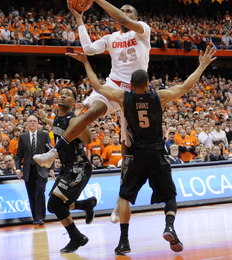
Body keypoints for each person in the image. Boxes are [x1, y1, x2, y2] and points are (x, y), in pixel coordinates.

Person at [64, 46, 216, 255]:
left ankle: (124, 241)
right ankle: (169, 226)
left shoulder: (123, 97)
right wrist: (202, 65)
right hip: (156, 153)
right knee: (170, 195)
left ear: (132, 85)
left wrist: (85, 62)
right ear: (147, 84)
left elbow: (98, 86)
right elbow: (186, 86)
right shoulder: (158, 96)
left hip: (135, 155)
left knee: (125, 197)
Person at [33, 0, 151, 223]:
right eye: (123, 11)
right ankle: (53, 153)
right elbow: (88, 48)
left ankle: (121, 200)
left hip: (136, 92)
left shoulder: (143, 31)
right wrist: (79, 19)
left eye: (129, 12)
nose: (125, 15)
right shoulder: (110, 37)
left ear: (137, 18)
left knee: (129, 152)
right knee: (90, 113)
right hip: (114, 86)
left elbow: (122, 18)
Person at [33, 88, 97, 254]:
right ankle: (86, 205)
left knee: (54, 204)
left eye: (68, 94)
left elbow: (88, 139)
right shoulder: (59, 118)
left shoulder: (73, 119)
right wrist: (47, 120)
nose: (63, 95)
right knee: (57, 206)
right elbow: (58, 126)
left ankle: (77, 237)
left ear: (73, 102)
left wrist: (80, 120)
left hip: (79, 167)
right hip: (66, 168)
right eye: (61, 93)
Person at [15, 115, 55, 225]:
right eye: (30, 121)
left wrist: (51, 168)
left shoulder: (44, 135)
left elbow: (50, 152)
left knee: (40, 191)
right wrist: (18, 169)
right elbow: (19, 155)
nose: (32, 123)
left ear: (37, 123)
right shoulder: (23, 137)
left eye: (34, 121)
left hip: (42, 168)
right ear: (27, 124)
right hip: (28, 169)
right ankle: (35, 217)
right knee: (31, 194)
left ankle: (41, 217)